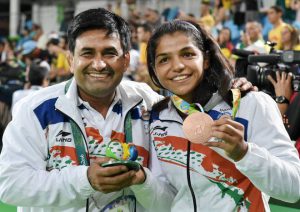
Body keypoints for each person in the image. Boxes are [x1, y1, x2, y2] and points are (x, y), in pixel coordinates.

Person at [0, 8, 173, 212]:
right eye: (87, 53)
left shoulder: (149, 104)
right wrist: (85, 179)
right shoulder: (36, 110)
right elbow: (10, 185)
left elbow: (172, 196)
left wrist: (143, 180)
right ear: (71, 60)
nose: (99, 64)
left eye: (109, 53)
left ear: (125, 60)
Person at [145, 20, 300, 211]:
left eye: (187, 54)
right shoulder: (158, 118)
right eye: (164, 59)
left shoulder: (250, 104)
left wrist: (244, 153)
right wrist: (141, 181)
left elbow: (294, 188)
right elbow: (167, 198)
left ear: (206, 59)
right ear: (154, 69)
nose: (177, 66)